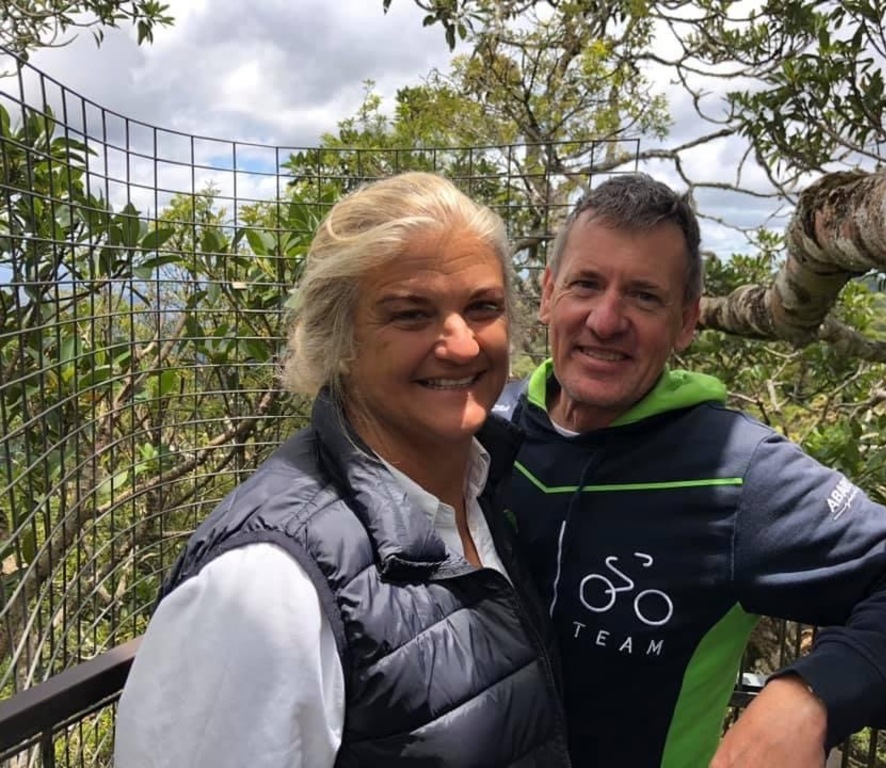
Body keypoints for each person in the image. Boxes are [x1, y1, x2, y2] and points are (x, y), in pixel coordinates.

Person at [495, 173, 886, 768]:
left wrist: (810, 696)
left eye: (644, 296)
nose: (607, 320)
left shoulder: (735, 474)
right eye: (586, 284)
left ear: (686, 323)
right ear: (546, 295)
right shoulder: (490, 425)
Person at [114, 172, 571, 768]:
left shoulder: (483, 493)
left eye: (482, 307)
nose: (462, 346)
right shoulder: (264, 589)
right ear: (340, 339)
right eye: (411, 315)